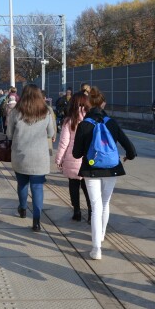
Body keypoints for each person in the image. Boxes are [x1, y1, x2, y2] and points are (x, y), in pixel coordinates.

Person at [73, 87, 136, 260]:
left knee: (95, 206)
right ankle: (101, 234)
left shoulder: (84, 124)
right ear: (103, 103)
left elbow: (76, 154)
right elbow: (128, 145)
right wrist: (129, 156)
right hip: (111, 168)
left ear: (88, 104)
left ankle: (96, 249)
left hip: (91, 169)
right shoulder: (112, 122)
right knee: (105, 202)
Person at [6, 85, 54, 232]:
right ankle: (37, 220)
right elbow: (50, 133)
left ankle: (22, 208)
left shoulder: (15, 112)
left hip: (21, 155)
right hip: (39, 156)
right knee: (37, 187)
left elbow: (9, 134)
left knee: (22, 184)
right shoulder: (46, 112)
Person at [55, 92, 92, 222]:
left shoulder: (70, 120)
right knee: (88, 187)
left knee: (73, 185)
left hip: (73, 158)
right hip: (88, 159)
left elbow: (64, 142)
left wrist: (59, 158)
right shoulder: (91, 119)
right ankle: (91, 213)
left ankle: (76, 211)